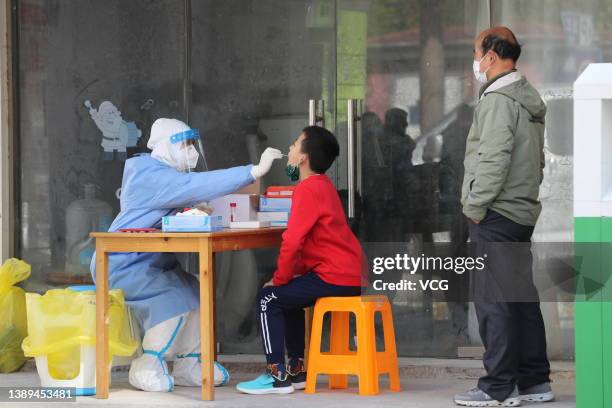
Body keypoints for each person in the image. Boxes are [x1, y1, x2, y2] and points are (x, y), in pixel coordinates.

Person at [90, 118, 283, 392]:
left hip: (153, 262)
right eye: (185, 144)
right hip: (123, 263)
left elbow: (188, 191)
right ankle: (147, 364)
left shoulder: (168, 177)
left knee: (197, 294)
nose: (191, 151)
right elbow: (195, 185)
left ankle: (190, 364)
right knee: (175, 302)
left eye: (193, 144)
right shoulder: (149, 175)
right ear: (167, 147)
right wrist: (253, 170)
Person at [453, 27, 552, 407]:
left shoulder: (497, 100)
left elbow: (493, 159)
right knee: (521, 299)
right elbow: (537, 163)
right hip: (520, 212)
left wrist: (475, 208)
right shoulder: (527, 100)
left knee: (494, 302)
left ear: (492, 55)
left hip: (495, 213)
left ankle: (497, 387)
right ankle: (534, 382)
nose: (476, 62)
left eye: (477, 54)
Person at [235, 126, 364, 395]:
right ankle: (296, 370)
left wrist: (278, 280)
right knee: (287, 297)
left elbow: (292, 242)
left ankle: (276, 375)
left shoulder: (307, 190)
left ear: (303, 157)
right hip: (344, 275)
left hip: (333, 276)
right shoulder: (323, 186)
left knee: (268, 298)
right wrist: (287, 279)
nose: (290, 149)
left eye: (295, 144)